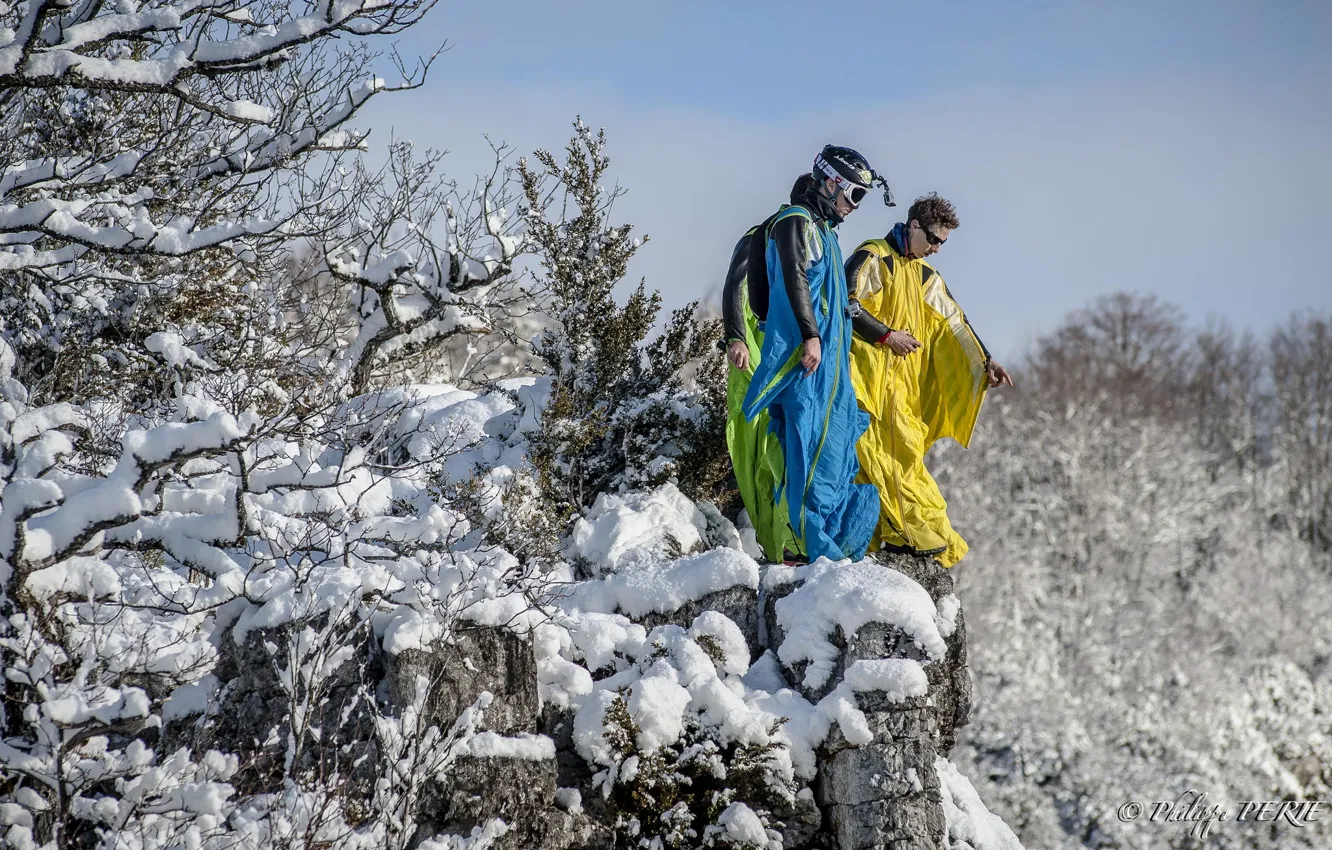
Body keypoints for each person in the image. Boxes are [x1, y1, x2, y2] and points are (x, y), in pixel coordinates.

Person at [845, 193, 1013, 567]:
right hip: (866, 382)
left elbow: (955, 322)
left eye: (942, 243)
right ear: (913, 225)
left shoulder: (924, 275)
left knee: (906, 455)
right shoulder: (874, 257)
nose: (936, 249)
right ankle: (903, 534)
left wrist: (986, 361)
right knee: (876, 457)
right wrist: (886, 335)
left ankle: (910, 534)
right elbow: (846, 302)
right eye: (934, 239)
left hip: (903, 388)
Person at [741, 146, 886, 563]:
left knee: (835, 456)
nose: (854, 206)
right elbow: (794, 276)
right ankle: (802, 546)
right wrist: (810, 335)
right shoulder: (796, 221)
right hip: (809, 366)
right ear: (831, 183)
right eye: (854, 195)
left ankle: (826, 546)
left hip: (833, 372)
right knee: (807, 451)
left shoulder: (826, 234)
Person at [721, 175, 815, 562]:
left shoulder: (810, 243)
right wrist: (736, 337)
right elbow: (735, 284)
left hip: (782, 351)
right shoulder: (762, 234)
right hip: (755, 347)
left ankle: (788, 537)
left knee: (782, 439)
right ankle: (773, 537)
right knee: (756, 434)